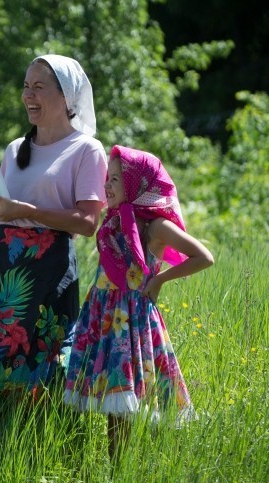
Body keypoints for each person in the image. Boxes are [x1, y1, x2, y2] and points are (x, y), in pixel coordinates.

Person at [0, 55, 107, 432]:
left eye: (39, 87)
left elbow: (88, 223)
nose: (28, 95)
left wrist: (25, 210)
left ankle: (35, 444)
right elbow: (4, 212)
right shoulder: (14, 149)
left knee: (42, 360)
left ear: (67, 97)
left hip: (47, 267)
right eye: (26, 86)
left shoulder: (86, 150)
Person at [63, 145, 214, 458]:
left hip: (131, 322)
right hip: (104, 317)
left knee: (133, 403)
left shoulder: (155, 227)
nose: (107, 185)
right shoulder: (115, 220)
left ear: (137, 183)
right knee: (113, 405)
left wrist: (159, 280)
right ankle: (119, 468)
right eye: (108, 177)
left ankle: (136, 466)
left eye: (116, 179)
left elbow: (204, 257)